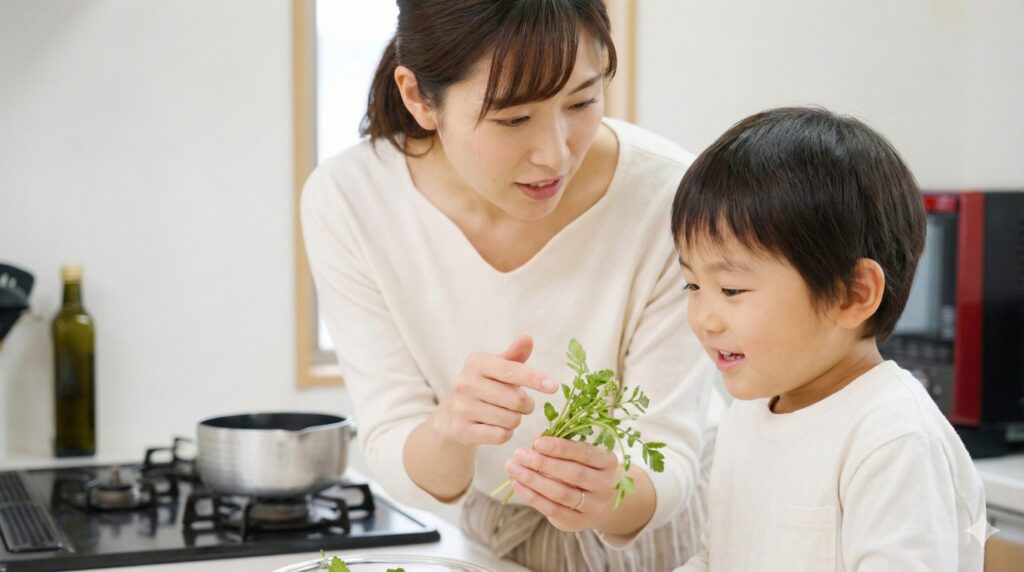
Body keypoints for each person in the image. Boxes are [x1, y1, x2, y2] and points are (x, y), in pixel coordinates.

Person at [301, 1, 722, 570]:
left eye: (582, 102)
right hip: (499, 535)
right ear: (419, 97)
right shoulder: (350, 201)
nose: (555, 153)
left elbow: (668, 449)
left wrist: (605, 491)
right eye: (512, 119)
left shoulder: (668, 195)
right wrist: (451, 428)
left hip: (658, 535)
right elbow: (397, 445)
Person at [671, 107, 987, 571]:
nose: (704, 318)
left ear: (852, 294)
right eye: (693, 286)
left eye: (731, 290)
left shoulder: (894, 437)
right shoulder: (747, 415)